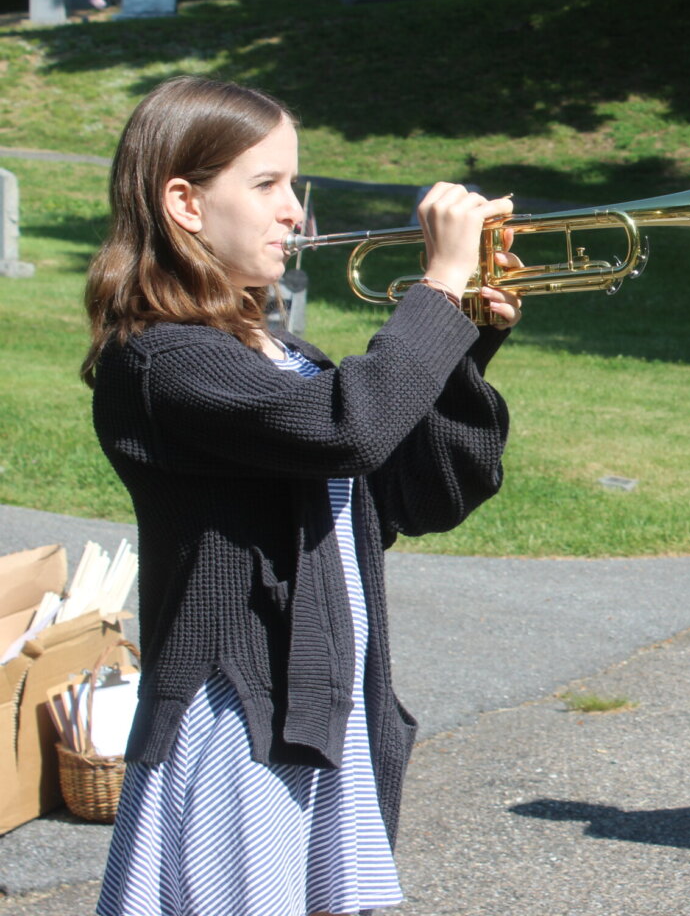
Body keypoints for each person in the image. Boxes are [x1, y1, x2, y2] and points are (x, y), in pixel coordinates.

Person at [81, 74, 519, 916]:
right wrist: (435, 292)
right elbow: (347, 429)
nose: (295, 212)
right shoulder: (162, 363)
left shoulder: (282, 358)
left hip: (317, 710)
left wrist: (466, 343)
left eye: (295, 185)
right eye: (267, 184)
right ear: (185, 202)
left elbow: (409, 496)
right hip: (240, 720)